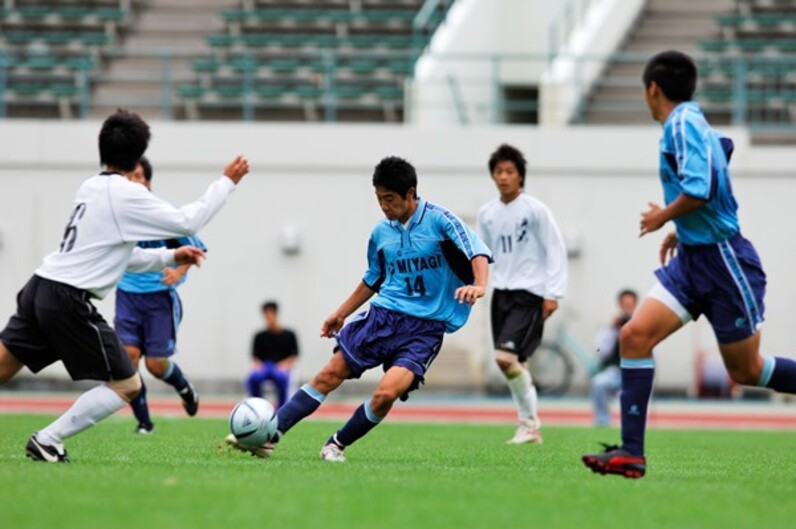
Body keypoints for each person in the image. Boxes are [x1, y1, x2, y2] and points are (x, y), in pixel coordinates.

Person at [581, 50, 796, 479]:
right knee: (635, 335)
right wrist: (684, 226)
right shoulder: (693, 123)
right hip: (693, 258)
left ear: (652, 89)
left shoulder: (680, 124)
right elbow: (723, 154)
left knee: (746, 370)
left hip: (723, 262)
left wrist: (664, 215)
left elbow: (701, 186)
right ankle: (631, 452)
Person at [0, 109, 249, 462]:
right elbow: (188, 219)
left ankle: (48, 438)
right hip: (67, 299)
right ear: (137, 156)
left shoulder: (89, 186)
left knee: (3, 367)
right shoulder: (127, 194)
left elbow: (116, 257)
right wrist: (227, 181)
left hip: (40, 286)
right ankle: (48, 438)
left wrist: (169, 257)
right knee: (127, 383)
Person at [226, 156, 492, 462]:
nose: (384, 206)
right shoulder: (381, 233)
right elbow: (373, 278)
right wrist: (341, 313)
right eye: (379, 199)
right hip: (383, 316)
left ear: (410, 192)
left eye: (389, 199)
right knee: (328, 375)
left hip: (425, 329)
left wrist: (480, 284)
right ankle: (269, 437)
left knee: (385, 395)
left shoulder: (441, 221)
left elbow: (477, 251)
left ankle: (336, 443)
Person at [476, 144, 568, 444]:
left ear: (520, 176)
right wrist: (477, 283)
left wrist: (553, 293)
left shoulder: (535, 210)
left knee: (504, 358)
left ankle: (530, 423)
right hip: (500, 294)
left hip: (529, 293)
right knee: (518, 363)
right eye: (499, 171)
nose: (503, 177)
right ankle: (527, 428)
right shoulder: (487, 213)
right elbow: (481, 253)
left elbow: (555, 249)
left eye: (509, 171)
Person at [115, 157, 207, 434]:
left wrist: (178, 273)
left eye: (139, 176)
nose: (135, 181)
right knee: (128, 360)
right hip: (127, 297)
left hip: (159, 299)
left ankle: (183, 386)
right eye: (129, 176)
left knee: (155, 365)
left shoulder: (163, 215)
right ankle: (144, 422)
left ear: (148, 182)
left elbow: (196, 249)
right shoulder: (116, 216)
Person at [590, 289, 638, 427]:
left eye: (630, 305)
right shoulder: (610, 326)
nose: (628, 309)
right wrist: (613, 330)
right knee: (598, 383)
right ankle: (602, 422)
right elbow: (599, 350)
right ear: (620, 305)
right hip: (616, 371)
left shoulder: (643, 324)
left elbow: (654, 353)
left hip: (636, 372)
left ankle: (635, 424)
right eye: (625, 305)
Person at [245, 300, 299, 408]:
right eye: (266, 314)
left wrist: (284, 366)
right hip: (265, 366)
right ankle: (258, 406)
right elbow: (255, 357)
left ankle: (281, 408)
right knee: (253, 379)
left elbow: (294, 356)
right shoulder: (259, 336)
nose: (268, 317)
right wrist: (259, 366)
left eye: (270, 313)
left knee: (282, 378)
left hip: (281, 367)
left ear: (276, 314)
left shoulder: (289, 335)